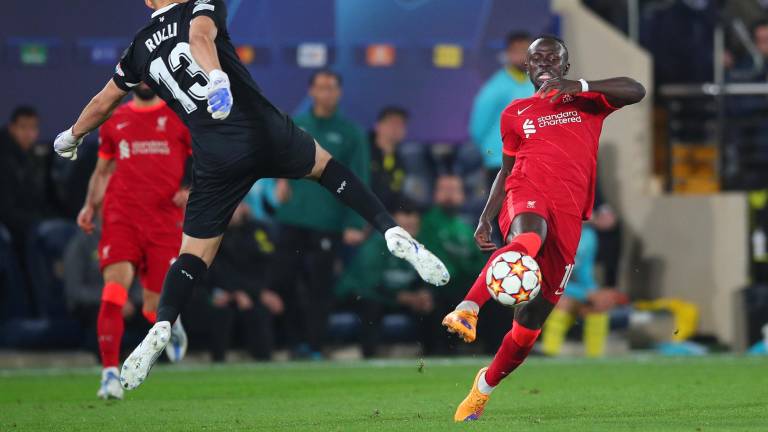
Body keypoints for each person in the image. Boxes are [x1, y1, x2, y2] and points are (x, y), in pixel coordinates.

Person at [52, 0, 448, 391]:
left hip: (216, 156)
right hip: (260, 130)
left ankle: (162, 323)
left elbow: (104, 101)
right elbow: (199, 35)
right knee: (327, 169)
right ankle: (392, 231)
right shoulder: (200, 5)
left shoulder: (138, 48)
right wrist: (218, 80)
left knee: (193, 255)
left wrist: (71, 136)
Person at [441, 35, 645, 421]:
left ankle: (483, 387)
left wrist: (580, 86)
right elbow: (506, 169)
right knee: (528, 238)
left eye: (553, 58)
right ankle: (468, 308)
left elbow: (637, 89)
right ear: (528, 68)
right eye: (537, 59)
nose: (545, 64)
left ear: (565, 67)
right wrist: (488, 215)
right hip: (527, 193)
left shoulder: (587, 101)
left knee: (527, 330)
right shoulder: (516, 112)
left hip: (569, 215)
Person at [74, 82, 192, 400]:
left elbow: (205, 165)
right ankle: (109, 375)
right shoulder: (114, 119)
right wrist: (90, 205)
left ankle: (172, 323)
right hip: (121, 217)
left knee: (152, 309)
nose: (142, 81)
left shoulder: (180, 117)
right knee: (113, 292)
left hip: (163, 221)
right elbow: (102, 171)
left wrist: (189, 190)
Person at [270, 70, 371, 358]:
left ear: (339, 93)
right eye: (320, 87)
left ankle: (314, 346)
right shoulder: (296, 125)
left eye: (331, 88)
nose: (326, 93)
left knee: (320, 289)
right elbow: (278, 158)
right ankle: (291, 343)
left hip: (328, 223)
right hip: (291, 218)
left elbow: (359, 178)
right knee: (284, 283)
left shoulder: (352, 133)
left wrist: (355, 221)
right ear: (311, 91)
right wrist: (279, 181)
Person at [335, 203, 446, 357]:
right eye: (405, 226)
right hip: (362, 294)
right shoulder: (376, 244)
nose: (410, 230)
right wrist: (404, 298)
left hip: (399, 297)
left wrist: (423, 294)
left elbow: (428, 275)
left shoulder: (420, 247)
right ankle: (369, 357)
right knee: (371, 306)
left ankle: (436, 355)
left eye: (413, 226)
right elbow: (370, 284)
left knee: (433, 305)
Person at [206, 203, 283, 362]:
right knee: (221, 309)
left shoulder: (257, 231)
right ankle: (217, 360)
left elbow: (267, 264)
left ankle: (264, 361)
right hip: (221, 290)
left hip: (254, 291)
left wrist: (261, 292)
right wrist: (236, 292)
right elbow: (217, 270)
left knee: (261, 311)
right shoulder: (214, 234)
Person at [469, 31, 535, 190]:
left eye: (525, 51)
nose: (521, 55)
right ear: (507, 54)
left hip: (530, 162)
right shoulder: (494, 87)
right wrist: (493, 152)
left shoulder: (536, 84)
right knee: (502, 214)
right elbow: (478, 128)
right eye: (516, 50)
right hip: (500, 163)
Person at [540, 225, 610, 358]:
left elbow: (585, 270)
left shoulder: (589, 235)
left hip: (567, 287)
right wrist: (584, 294)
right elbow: (549, 276)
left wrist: (593, 292)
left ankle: (595, 359)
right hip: (542, 286)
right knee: (563, 303)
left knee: (600, 303)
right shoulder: (552, 232)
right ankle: (548, 353)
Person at [369, 106, 409, 212]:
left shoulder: (401, 162)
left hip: (383, 220)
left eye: (401, 124)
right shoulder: (362, 151)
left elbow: (396, 194)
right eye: (392, 123)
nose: (396, 128)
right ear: (377, 126)